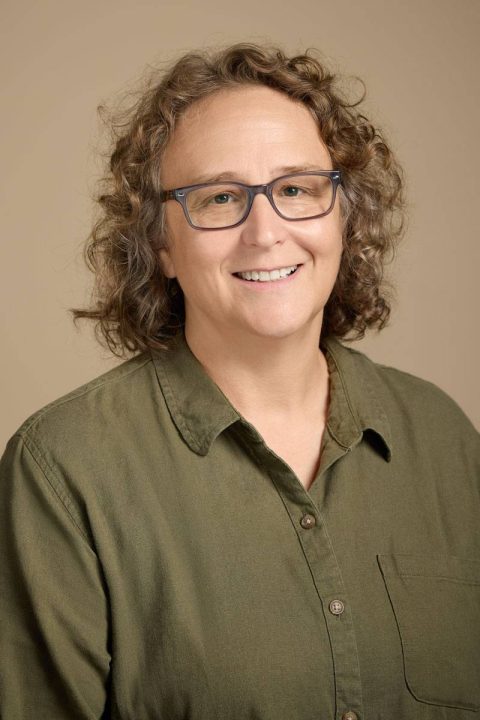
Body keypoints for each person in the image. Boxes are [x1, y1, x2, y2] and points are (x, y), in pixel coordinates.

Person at [0, 43, 479, 720]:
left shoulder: (444, 438)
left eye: (295, 189)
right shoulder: (65, 468)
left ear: (343, 214)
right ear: (161, 244)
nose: (266, 232)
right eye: (220, 197)